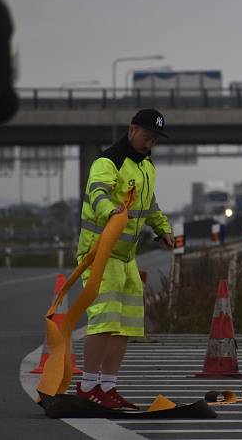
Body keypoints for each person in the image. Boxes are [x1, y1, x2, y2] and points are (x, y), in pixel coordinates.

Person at [74, 108, 173, 409]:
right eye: (146, 136)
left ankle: (108, 387)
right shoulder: (109, 161)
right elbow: (97, 193)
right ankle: (88, 385)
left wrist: (162, 230)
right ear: (131, 130)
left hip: (126, 258)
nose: (150, 143)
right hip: (99, 252)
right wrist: (110, 212)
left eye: (154, 138)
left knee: (127, 324)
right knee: (104, 319)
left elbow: (150, 205)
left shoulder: (146, 167)